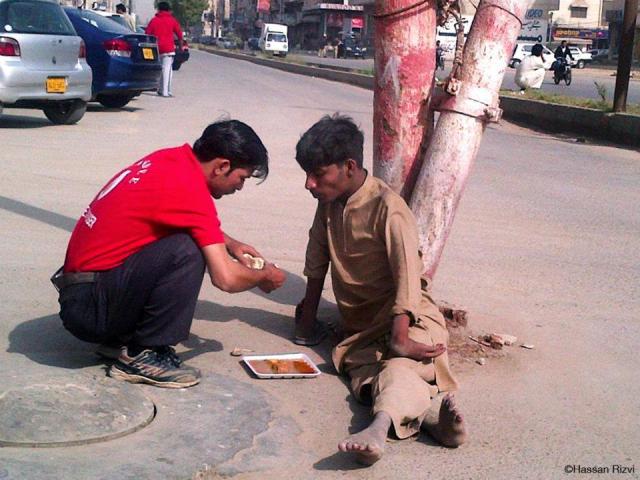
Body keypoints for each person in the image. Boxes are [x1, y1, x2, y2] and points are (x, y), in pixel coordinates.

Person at [53, 119, 286, 388]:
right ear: (222, 166)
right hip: (92, 309)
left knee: (186, 240)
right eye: (241, 178)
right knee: (187, 251)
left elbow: (179, 216)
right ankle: (144, 355)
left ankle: (120, 341)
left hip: (84, 294)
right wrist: (264, 276)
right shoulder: (190, 190)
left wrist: (232, 245)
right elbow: (226, 279)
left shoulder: (170, 159)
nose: (239, 187)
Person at [294, 114, 467, 465]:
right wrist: (306, 318)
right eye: (306, 175)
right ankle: (430, 424)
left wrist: (400, 337)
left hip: (408, 319)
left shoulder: (389, 209)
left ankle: (378, 428)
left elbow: (408, 277)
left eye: (318, 174)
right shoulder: (328, 202)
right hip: (361, 330)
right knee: (368, 374)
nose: (309, 184)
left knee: (399, 366)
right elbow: (317, 256)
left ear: (349, 166)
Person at [145, 2, 183, 97]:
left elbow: (147, 34)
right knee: (167, 69)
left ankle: (160, 88)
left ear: (158, 9)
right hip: (168, 48)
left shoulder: (154, 20)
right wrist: (180, 46)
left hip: (156, 48)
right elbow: (179, 34)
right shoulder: (172, 20)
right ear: (168, 10)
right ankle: (166, 91)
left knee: (160, 69)